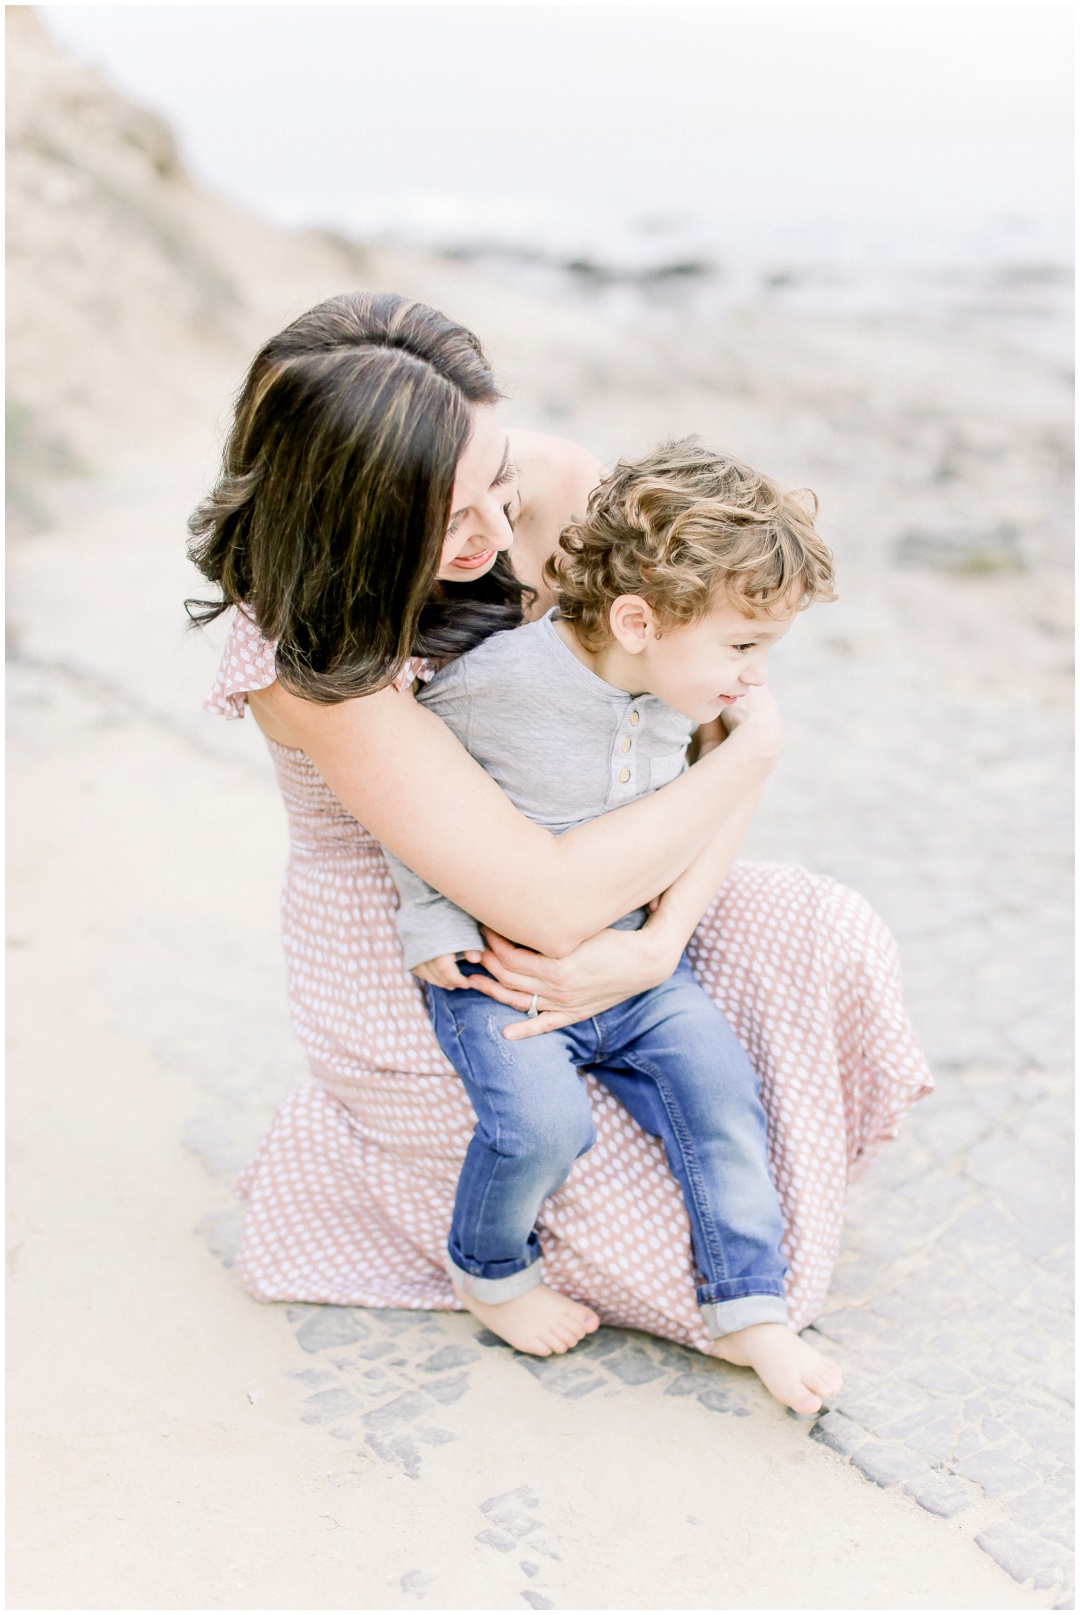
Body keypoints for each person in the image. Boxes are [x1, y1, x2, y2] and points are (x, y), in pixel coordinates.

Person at [191, 290, 931, 1367]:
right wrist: (755, 751)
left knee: (817, 927)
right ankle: (429, 1210)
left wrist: (659, 942)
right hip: (439, 947)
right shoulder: (305, 653)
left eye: (498, 479)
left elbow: (705, 733)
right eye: (449, 522)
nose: (498, 533)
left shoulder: (555, 487)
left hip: (626, 872)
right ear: (350, 522)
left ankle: (738, 1255)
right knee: (600, 1202)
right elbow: (537, 895)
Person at [384, 437, 843, 1412]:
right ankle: (492, 1268)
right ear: (636, 619)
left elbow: (712, 798)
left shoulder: (679, 688)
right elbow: (413, 802)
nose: (754, 679)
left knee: (723, 1092)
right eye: (744, 648)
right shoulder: (494, 683)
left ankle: (747, 1305)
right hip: (502, 968)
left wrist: (656, 944)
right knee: (542, 1126)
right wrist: (433, 927)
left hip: (637, 973)